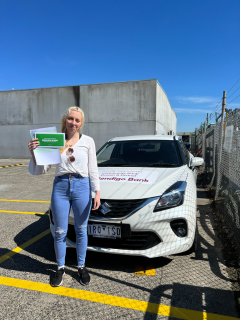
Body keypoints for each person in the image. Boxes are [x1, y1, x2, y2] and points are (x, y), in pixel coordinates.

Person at [28, 106, 100, 287]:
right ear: (65, 120)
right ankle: (60, 267)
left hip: (82, 186)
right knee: (60, 231)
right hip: (60, 187)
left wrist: (96, 191)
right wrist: (35, 153)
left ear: (81, 123)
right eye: (70, 118)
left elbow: (93, 169)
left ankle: (81, 266)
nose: (73, 123)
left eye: (77, 120)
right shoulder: (55, 141)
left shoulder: (88, 141)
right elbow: (42, 169)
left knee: (81, 229)